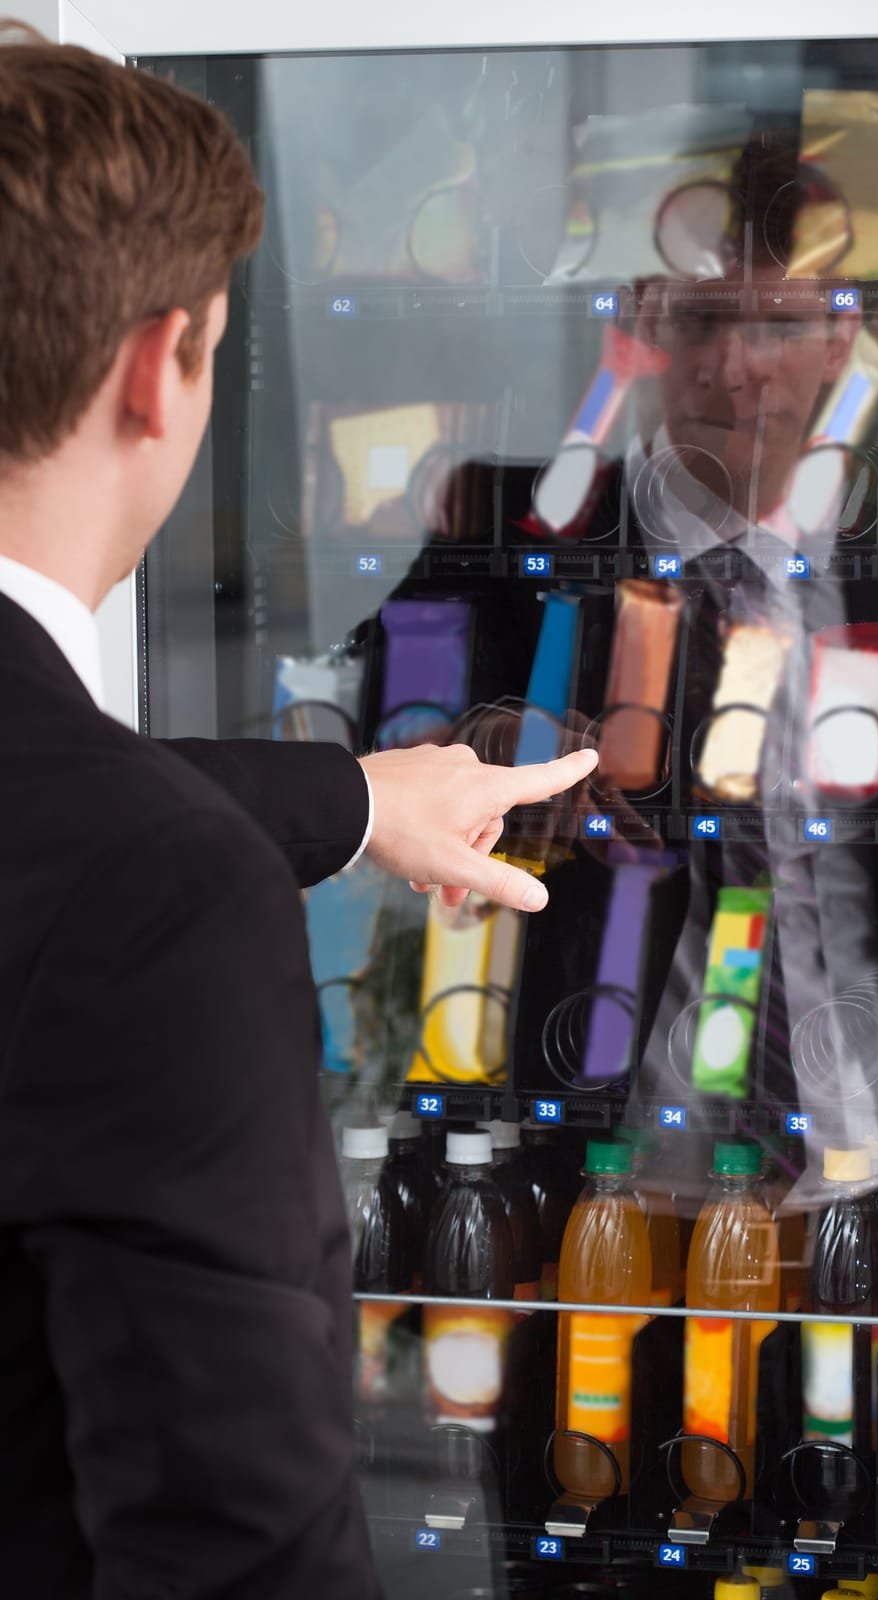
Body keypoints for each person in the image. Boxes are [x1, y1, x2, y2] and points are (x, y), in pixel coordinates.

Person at [0, 24, 596, 1600]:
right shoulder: (157, 898)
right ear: (157, 367)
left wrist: (340, 797)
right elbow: (235, 1542)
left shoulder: (110, 849)